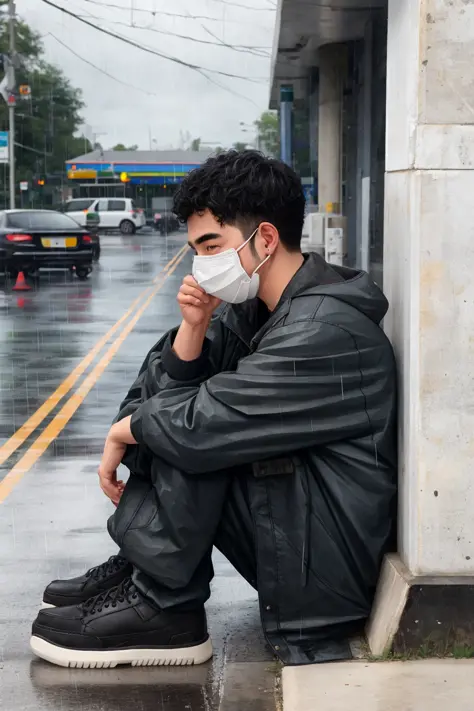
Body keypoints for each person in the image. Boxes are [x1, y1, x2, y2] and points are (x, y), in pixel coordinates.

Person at [31, 150, 397, 669]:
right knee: (171, 411)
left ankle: (166, 607)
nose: (201, 266)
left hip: (325, 575)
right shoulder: (256, 312)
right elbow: (155, 395)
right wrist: (194, 327)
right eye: (195, 250)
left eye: (211, 246)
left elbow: (199, 425)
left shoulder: (326, 330)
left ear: (265, 240)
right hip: (296, 538)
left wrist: (126, 432)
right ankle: (148, 569)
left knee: (190, 433)